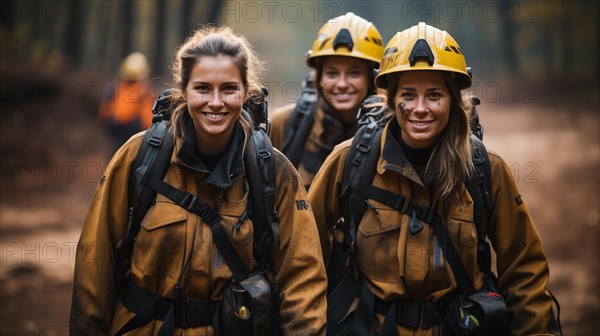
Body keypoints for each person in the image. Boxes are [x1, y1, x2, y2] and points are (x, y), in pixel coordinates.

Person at [71, 26, 327, 335]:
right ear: (183, 91)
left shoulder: (273, 171)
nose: (216, 102)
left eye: (229, 89)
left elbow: (302, 277)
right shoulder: (138, 157)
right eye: (203, 88)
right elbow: (95, 262)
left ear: (246, 92)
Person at [309, 22, 558, 335]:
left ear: (453, 99)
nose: (420, 109)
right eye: (408, 95)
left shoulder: (484, 169)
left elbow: (524, 271)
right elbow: (302, 255)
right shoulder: (350, 161)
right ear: (391, 99)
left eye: (434, 95)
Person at [269, 12, 384, 189]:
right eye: (332, 73)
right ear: (319, 79)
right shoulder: (284, 124)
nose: (342, 84)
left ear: (372, 78)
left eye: (354, 73)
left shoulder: (389, 132)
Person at [98, 51, 156, 152]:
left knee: (116, 156)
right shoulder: (144, 90)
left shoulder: (115, 88)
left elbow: (104, 113)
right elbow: (148, 118)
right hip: (134, 134)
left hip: (117, 131)